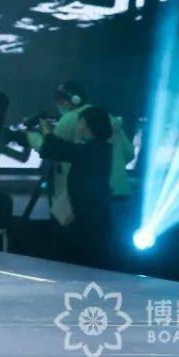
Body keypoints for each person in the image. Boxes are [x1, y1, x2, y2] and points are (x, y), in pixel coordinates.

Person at [31, 105, 115, 269]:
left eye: (81, 123)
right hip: (90, 213)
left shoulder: (92, 150)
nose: (79, 127)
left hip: (88, 217)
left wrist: (47, 131)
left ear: (91, 126)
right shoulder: (100, 148)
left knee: (84, 258)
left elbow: (59, 149)